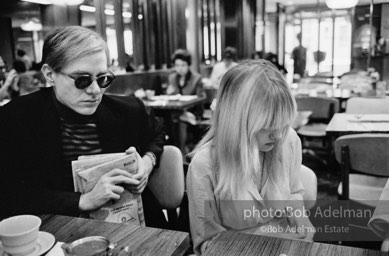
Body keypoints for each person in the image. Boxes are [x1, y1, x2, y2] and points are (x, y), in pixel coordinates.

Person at [0, 26, 168, 229]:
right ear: (50, 74)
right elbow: (9, 191)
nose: (95, 91)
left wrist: (147, 161)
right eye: (82, 80)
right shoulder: (17, 117)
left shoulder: (129, 110)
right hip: (55, 227)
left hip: (132, 224)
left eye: (103, 78)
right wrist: (82, 200)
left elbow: (156, 134)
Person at [187, 59, 315, 255]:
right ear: (237, 121)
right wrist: (266, 240)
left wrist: (300, 218)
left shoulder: (289, 140)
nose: (278, 135)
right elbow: (206, 243)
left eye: (283, 123)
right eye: (268, 126)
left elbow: (293, 192)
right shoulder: (205, 164)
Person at [166, 49, 205, 154]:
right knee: (169, 119)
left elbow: (201, 98)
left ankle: (180, 153)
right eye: (177, 65)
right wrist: (169, 94)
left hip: (193, 112)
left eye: (183, 65)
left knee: (177, 120)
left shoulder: (196, 78)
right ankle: (173, 152)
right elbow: (171, 96)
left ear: (188, 65)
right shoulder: (172, 77)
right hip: (176, 111)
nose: (180, 68)